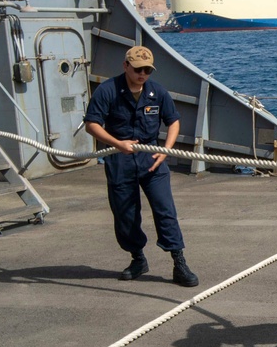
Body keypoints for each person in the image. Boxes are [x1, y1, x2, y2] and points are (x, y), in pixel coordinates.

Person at [83, 45, 199, 288]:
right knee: (125, 214)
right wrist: (117, 143)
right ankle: (138, 258)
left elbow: (173, 120)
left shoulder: (157, 91)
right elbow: (92, 124)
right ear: (126, 66)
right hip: (119, 158)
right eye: (138, 69)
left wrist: (165, 150)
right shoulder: (108, 91)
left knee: (165, 210)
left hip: (151, 158)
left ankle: (179, 262)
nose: (142, 74)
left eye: (147, 70)